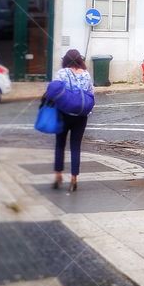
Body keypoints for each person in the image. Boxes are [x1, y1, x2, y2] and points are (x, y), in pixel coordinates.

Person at [53, 49, 94, 192]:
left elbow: (54, 92)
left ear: (65, 59)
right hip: (81, 116)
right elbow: (91, 93)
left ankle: (58, 175)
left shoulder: (61, 73)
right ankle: (74, 178)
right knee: (75, 146)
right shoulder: (86, 75)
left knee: (60, 145)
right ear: (79, 60)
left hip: (63, 114)